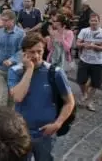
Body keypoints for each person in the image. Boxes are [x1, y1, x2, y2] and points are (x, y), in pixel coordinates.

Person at [8, 33, 75, 161]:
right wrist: (29, 70)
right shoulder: (15, 71)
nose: (37, 56)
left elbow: (69, 101)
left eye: (40, 51)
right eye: (31, 52)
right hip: (21, 133)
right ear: (23, 53)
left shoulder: (55, 72)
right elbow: (18, 97)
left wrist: (57, 124)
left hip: (46, 133)